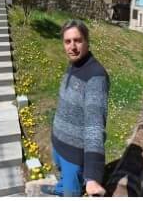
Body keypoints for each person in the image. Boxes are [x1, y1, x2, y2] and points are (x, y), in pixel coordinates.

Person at [46, 20, 109, 197]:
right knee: (63, 179)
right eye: (67, 42)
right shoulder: (74, 65)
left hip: (74, 155)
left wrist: (92, 178)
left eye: (77, 40)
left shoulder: (95, 77)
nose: (72, 47)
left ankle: (68, 190)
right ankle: (60, 188)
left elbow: (95, 126)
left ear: (87, 41)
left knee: (71, 192)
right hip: (59, 143)